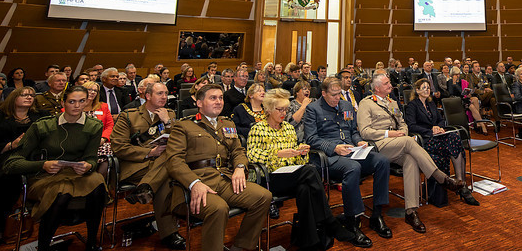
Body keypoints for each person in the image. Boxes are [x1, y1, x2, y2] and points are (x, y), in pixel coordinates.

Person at [246, 89, 359, 250]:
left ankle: (309, 241)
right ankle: (329, 221)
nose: (284, 113)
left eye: (286, 109)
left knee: (305, 188)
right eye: (280, 110)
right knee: (310, 171)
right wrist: (277, 154)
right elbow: (252, 155)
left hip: (292, 174)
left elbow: (298, 159)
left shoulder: (288, 128)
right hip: (269, 177)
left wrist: (301, 152)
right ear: (269, 110)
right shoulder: (258, 129)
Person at [166, 85, 272, 251]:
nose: (218, 102)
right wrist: (194, 183)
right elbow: (174, 161)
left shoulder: (227, 124)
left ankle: (242, 246)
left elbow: (238, 151)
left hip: (224, 179)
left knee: (263, 197)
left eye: (220, 98)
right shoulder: (184, 126)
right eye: (213, 98)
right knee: (218, 208)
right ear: (199, 103)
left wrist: (239, 167)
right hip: (196, 183)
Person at [357, 74, 467, 233]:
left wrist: (401, 132)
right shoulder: (365, 104)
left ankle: (411, 211)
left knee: (411, 160)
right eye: (386, 83)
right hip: (379, 146)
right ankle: (442, 178)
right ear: (377, 88)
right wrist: (391, 134)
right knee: (410, 141)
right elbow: (365, 132)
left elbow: (403, 125)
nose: (390, 85)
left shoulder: (392, 102)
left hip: (399, 144)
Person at [4, 86, 106, 251]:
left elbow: (91, 158)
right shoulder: (43, 126)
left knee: (98, 183)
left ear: (88, 102)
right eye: (72, 101)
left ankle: (92, 243)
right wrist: (42, 165)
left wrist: (89, 166)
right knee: (62, 191)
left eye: (82, 101)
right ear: (63, 102)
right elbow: (11, 163)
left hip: (77, 175)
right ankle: (44, 245)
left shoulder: (93, 126)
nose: (77, 106)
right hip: (45, 176)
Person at [304, 77, 391, 245]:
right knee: (353, 168)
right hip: (328, 156)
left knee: (382, 161)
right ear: (323, 93)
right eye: (334, 95)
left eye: (339, 94)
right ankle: (352, 222)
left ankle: (377, 215)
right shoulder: (313, 109)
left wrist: (358, 141)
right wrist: (334, 148)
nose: (338, 98)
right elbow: (311, 138)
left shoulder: (346, 105)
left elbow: (353, 131)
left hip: (351, 150)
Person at [112, 82, 186, 249]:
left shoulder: (170, 114)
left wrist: (168, 122)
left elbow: (180, 142)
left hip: (159, 167)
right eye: (160, 93)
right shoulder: (129, 116)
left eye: (166, 93)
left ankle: (147, 187)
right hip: (136, 165)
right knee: (169, 173)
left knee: (168, 169)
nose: (164, 97)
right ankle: (169, 232)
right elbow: (119, 147)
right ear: (147, 96)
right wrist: (149, 153)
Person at [404, 78, 479, 206]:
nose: (427, 90)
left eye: (428, 87)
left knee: (454, 137)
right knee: (456, 144)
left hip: (437, 137)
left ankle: (460, 182)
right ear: (417, 90)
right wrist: (430, 130)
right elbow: (411, 126)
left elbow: (441, 120)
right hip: (425, 140)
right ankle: (462, 186)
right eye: (424, 88)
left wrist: (439, 127)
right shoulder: (412, 105)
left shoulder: (431, 103)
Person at [0, 87, 48, 247]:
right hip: (1, 158)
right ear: (13, 98)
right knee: (10, 177)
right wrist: (10, 145)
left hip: (32, 158)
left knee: (12, 168)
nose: (29, 97)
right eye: (24, 94)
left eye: (32, 95)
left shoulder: (41, 117)